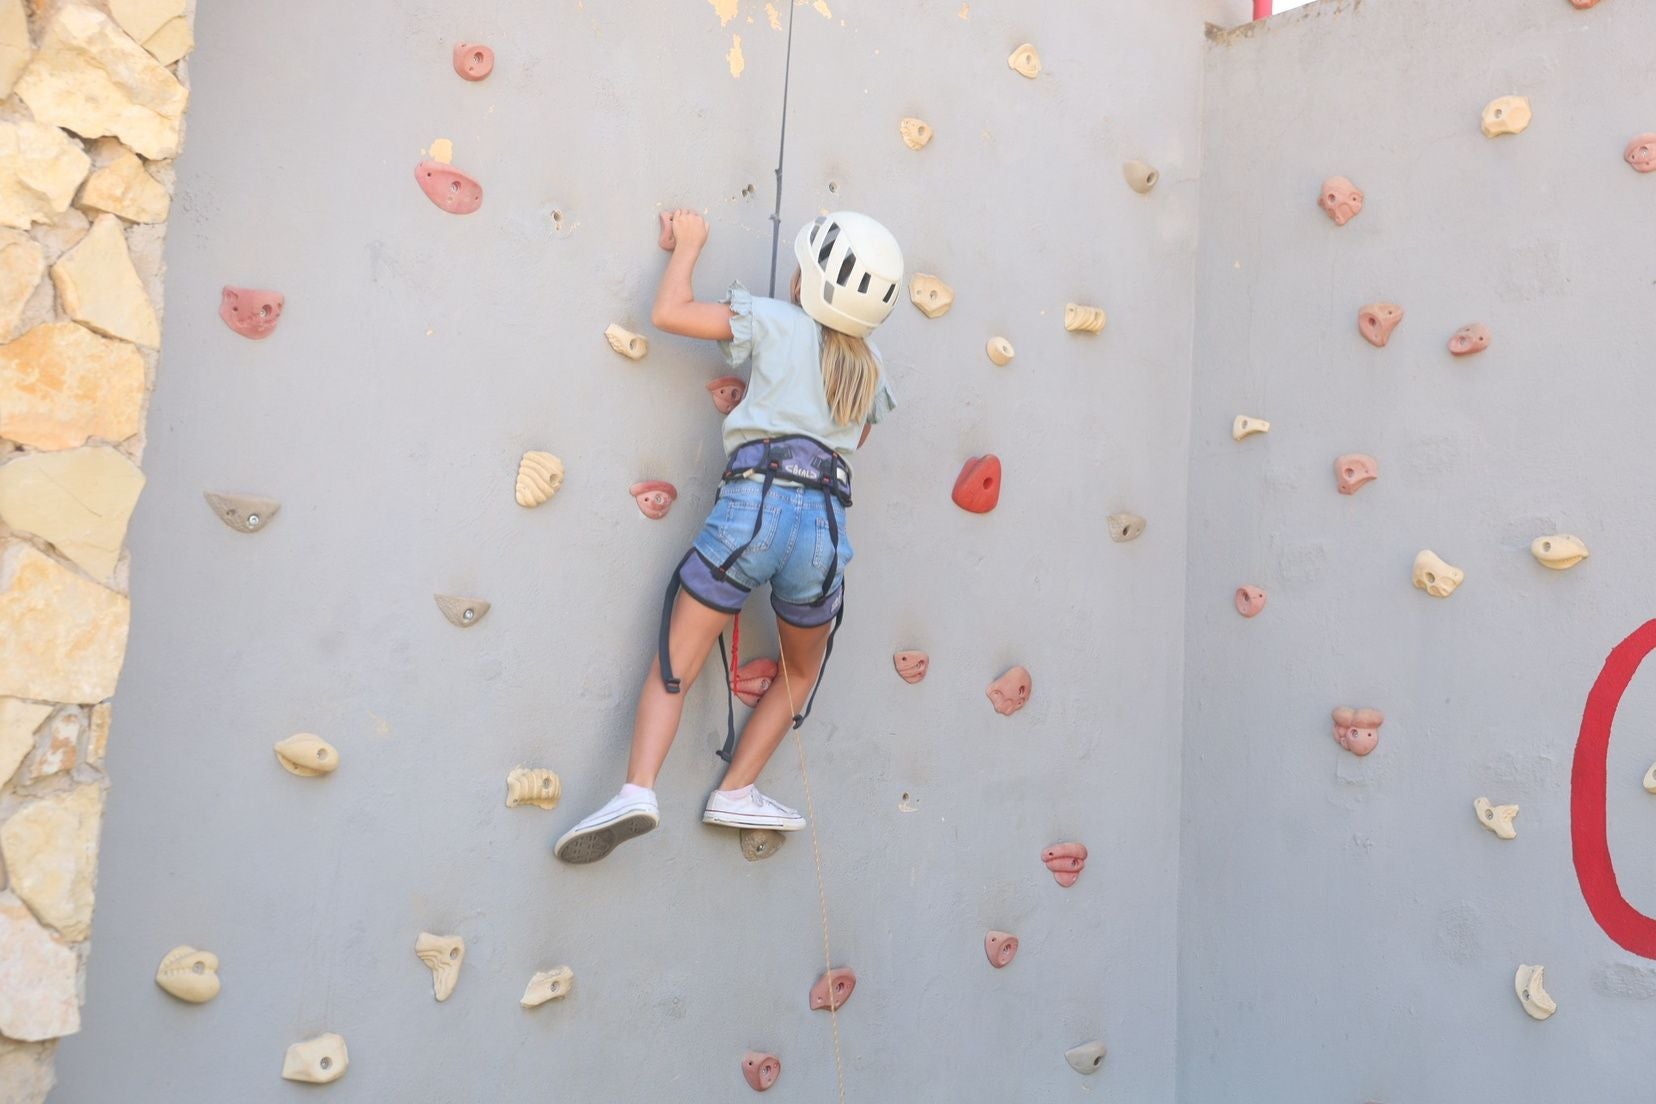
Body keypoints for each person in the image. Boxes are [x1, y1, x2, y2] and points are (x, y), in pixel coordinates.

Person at [554, 207, 904, 864]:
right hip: (824, 529)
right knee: (802, 667)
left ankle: (638, 788)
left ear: (809, 281)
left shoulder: (774, 320)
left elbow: (672, 311)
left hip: (754, 506)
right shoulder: (873, 369)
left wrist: (688, 244)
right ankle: (737, 789)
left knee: (675, 664)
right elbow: (856, 438)